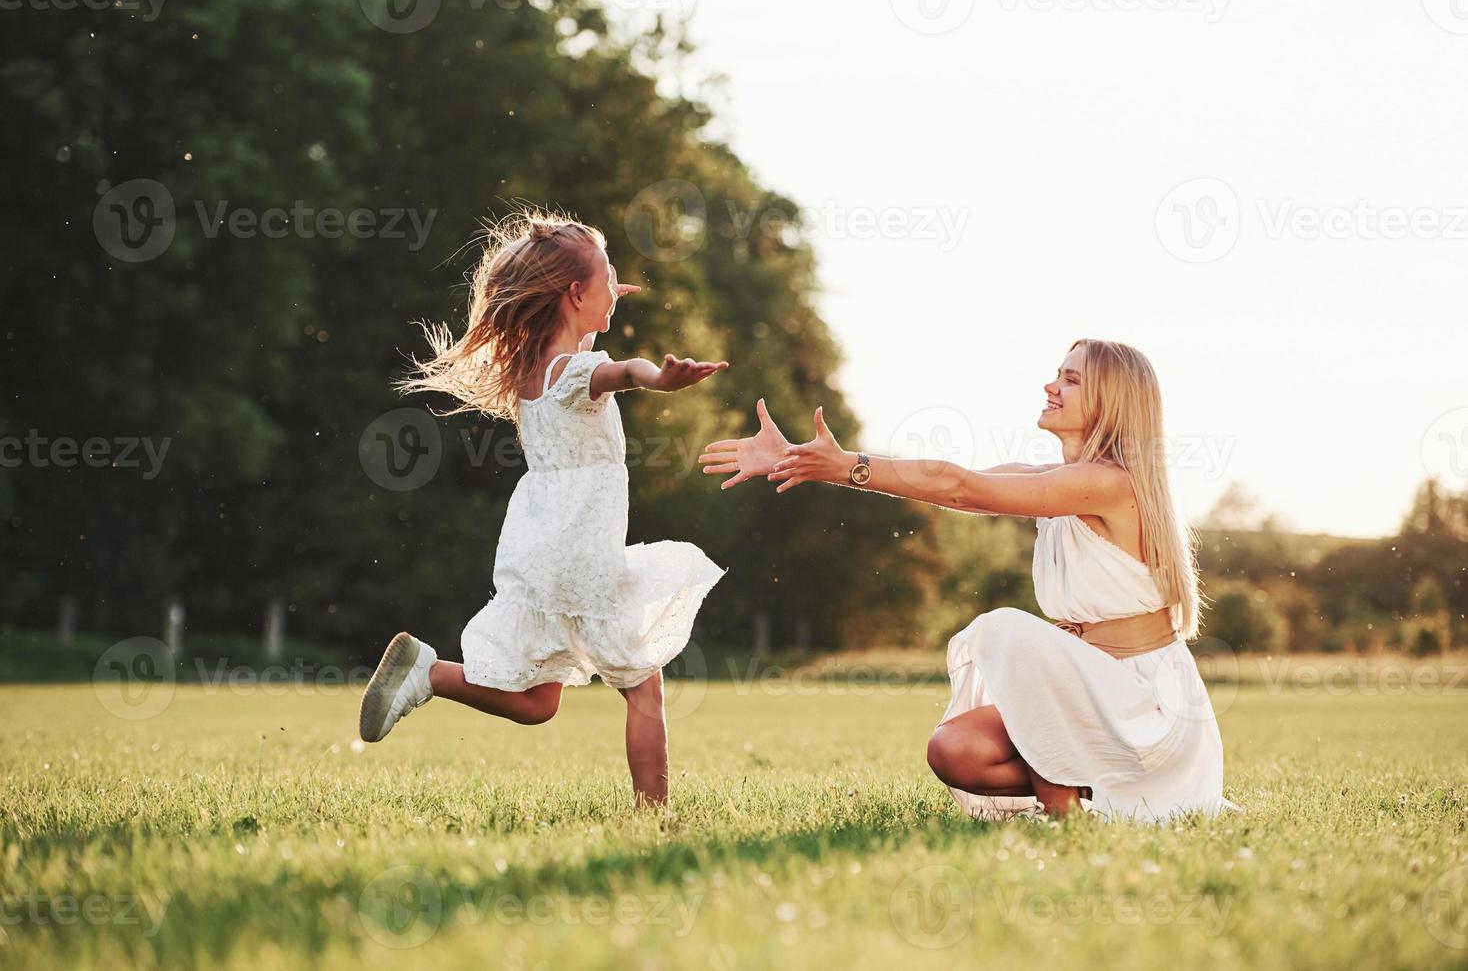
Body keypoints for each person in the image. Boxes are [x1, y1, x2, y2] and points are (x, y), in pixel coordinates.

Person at [700, 339, 1236, 821]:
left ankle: (1067, 819)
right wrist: (807, 458)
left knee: (1006, 628)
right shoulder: (1057, 483)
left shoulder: (1108, 484)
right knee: (954, 749)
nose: (1051, 385)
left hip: (1143, 704)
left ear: (1111, 402)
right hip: (1091, 692)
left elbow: (961, 489)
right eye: (1058, 373)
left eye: (1071, 380)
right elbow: (956, 480)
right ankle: (1109, 794)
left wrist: (846, 466)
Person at [358, 211, 727, 808]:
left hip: (542, 545)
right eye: (611, 276)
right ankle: (654, 819)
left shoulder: (536, 368)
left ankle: (429, 673)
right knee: (644, 686)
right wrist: (658, 378)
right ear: (575, 294)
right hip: (581, 553)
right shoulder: (580, 371)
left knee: (538, 702)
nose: (619, 285)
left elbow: (580, 346)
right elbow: (620, 371)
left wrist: (601, 296)